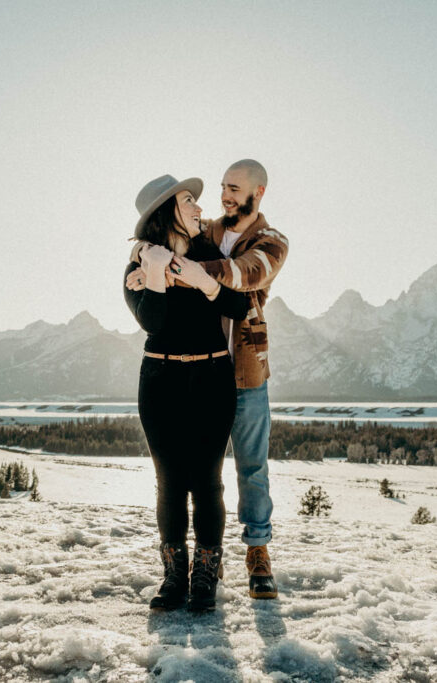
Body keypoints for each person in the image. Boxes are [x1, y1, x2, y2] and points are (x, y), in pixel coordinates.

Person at [127, 159, 288, 600]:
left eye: (234, 188)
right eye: (222, 187)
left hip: (243, 369)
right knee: (183, 480)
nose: (223, 196)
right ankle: (186, 570)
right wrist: (146, 252)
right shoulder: (208, 234)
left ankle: (257, 554)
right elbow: (157, 244)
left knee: (249, 467)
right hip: (191, 373)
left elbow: (244, 278)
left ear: (258, 193)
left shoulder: (271, 242)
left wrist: (180, 269)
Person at [123, 174, 248, 612]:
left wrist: (202, 279)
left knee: (207, 482)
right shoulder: (136, 267)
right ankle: (175, 575)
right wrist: (156, 273)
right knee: (170, 483)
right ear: (166, 212)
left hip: (213, 378)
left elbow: (241, 305)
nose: (200, 207)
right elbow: (153, 322)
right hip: (160, 382)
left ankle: (206, 576)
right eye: (189, 201)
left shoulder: (207, 253)